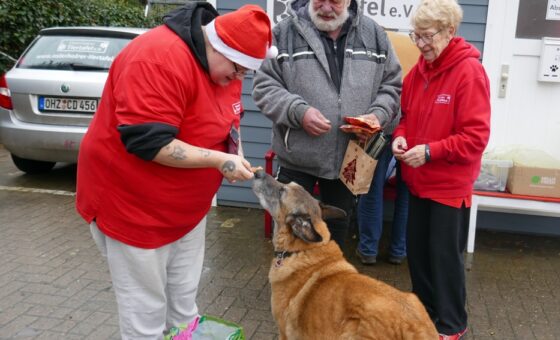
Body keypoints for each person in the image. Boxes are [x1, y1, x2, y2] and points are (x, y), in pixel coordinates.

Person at [75, 3, 275, 338]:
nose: (238, 78)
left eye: (245, 73)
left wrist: (232, 153)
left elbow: (230, 119)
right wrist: (218, 161)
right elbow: (149, 143)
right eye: (237, 70)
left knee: (183, 305)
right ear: (217, 46)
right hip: (134, 208)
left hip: (186, 210)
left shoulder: (226, 64)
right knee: (147, 311)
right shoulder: (157, 58)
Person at [253, 0, 402, 249]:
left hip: (349, 158)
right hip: (297, 157)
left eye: (335, 1)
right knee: (291, 234)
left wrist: (378, 115)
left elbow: (392, 85)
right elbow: (264, 86)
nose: (326, 7)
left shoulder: (374, 34)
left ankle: (329, 285)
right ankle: (291, 285)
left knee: (337, 233)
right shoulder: (284, 33)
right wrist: (298, 112)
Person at [391, 0, 491, 339]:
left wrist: (432, 152)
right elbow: (404, 118)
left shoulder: (469, 72)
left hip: (449, 187)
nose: (420, 45)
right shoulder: (418, 72)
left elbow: (475, 138)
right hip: (417, 181)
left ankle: (451, 326)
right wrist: (401, 140)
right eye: (415, 36)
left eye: (427, 37)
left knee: (444, 261)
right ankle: (425, 318)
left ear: (450, 31)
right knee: (418, 258)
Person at [355, 143, 409, 265]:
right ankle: (398, 251)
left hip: (383, 129)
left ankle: (368, 250)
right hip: (413, 133)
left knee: (371, 188)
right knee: (406, 193)